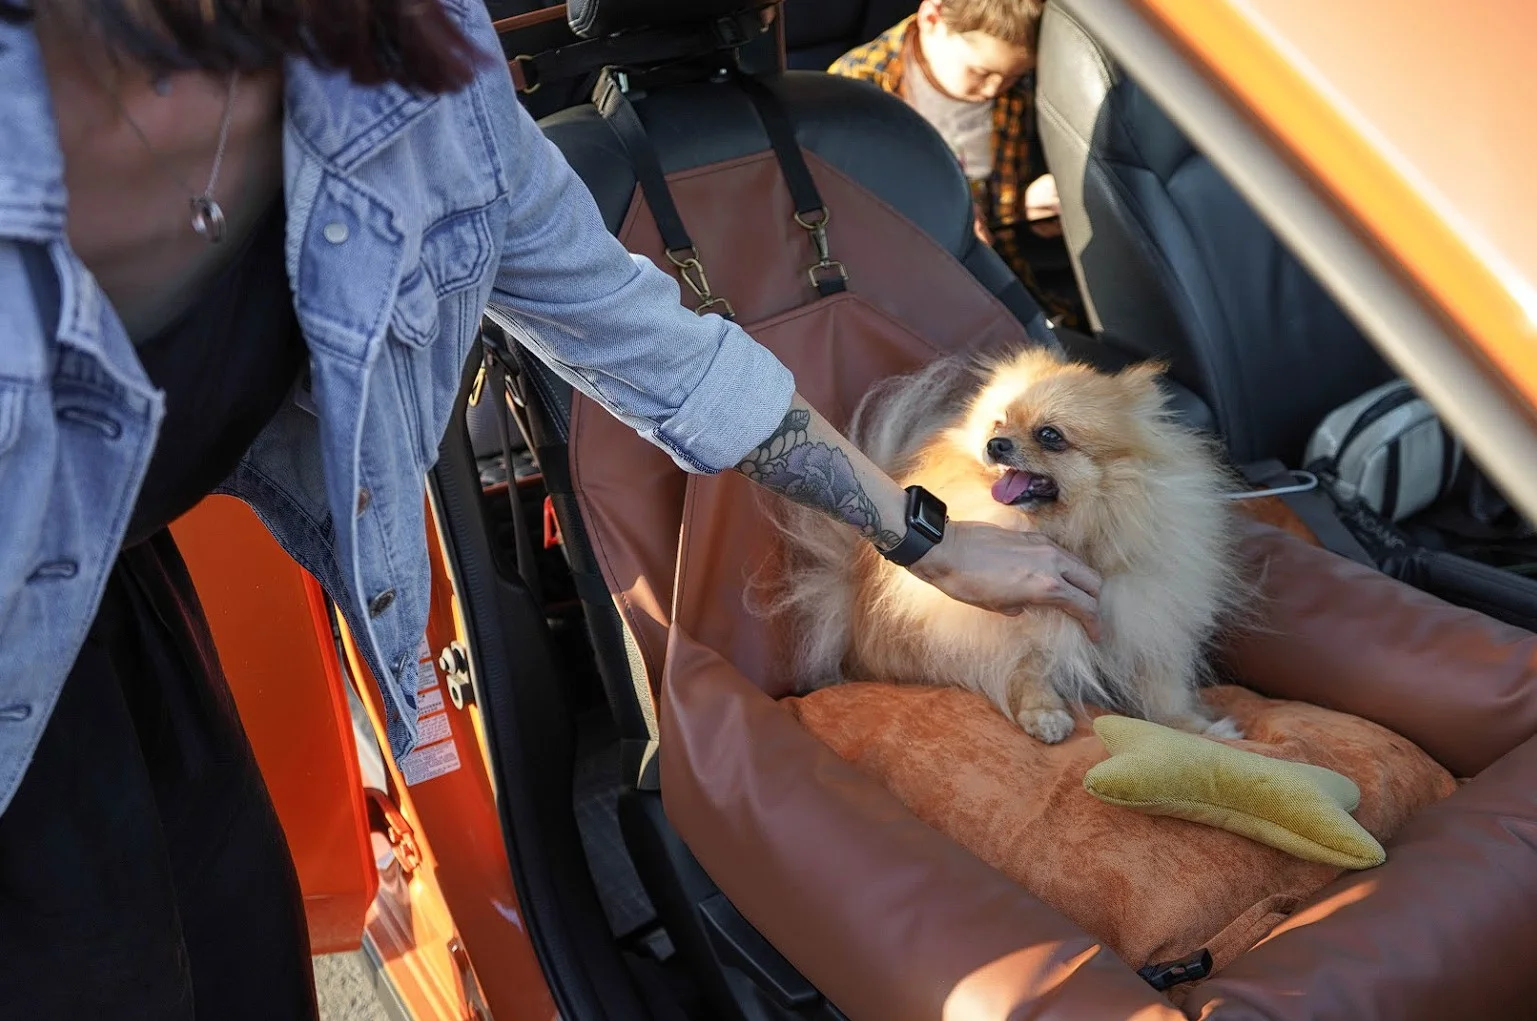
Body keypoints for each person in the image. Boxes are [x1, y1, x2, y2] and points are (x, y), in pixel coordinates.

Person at [0, 0, 1102, 1015]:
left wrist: (922, 535)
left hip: (109, 590)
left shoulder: (419, 69)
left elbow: (653, 346)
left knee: (240, 958)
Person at [829, 0, 1085, 327]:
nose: (994, 88)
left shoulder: (1013, 92)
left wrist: (1021, 207)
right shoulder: (855, 93)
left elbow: (996, 194)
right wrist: (945, 225)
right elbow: (847, 217)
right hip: (902, 285)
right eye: (981, 72)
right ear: (932, 18)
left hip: (994, 271)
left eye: (1014, 75)